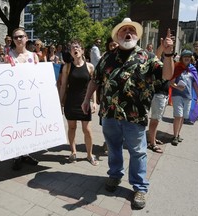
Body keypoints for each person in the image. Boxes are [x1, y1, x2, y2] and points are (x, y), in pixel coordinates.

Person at [81, 18, 174, 209]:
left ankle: (140, 187)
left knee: (138, 152)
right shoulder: (108, 57)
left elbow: (166, 75)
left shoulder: (147, 57)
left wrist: (168, 54)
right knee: (113, 147)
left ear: (137, 35)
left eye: (132, 30)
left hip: (135, 115)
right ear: (118, 35)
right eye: (124, 30)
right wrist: (86, 99)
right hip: (109, 114)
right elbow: (95, 80)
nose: (128, 33)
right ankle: (115, 176)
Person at [59, 38, 98, 166]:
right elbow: (63, 86)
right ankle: (73, 152)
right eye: (72, 48)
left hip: (84, 102)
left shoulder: (90, 66)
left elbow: (93, 85)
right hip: (71, 102)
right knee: (72, 127)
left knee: (87, 129)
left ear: (82, 50)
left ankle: (89, 155)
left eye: (77, 47)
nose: (75, 49)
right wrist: (60, 103)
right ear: (70, 53)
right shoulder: (67, 67)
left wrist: (94, 102)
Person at [6, 28, 40, 171]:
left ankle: (26, 153)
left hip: (30, 97)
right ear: (13, 40)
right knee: (16, 127)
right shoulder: (9, 56)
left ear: (26, 38)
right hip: (15, 98)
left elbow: (39, 76)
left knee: (28, 126)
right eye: (16, 37)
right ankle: (16, 156)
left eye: (21, 36)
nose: (19, 39)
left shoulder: (34, 56)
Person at [170, 50, 198, 145]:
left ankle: (178, 134)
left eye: (188, 56)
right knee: (178, 115)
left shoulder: (192, 69)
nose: (187, 58)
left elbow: (195, 84)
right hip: (177, 95)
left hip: (188, 97)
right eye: (185, 56)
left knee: (183, 116)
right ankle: (174, 136)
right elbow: (171, 82)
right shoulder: (177, 67)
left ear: (191, 58)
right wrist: (177, 86)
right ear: (182, 58)